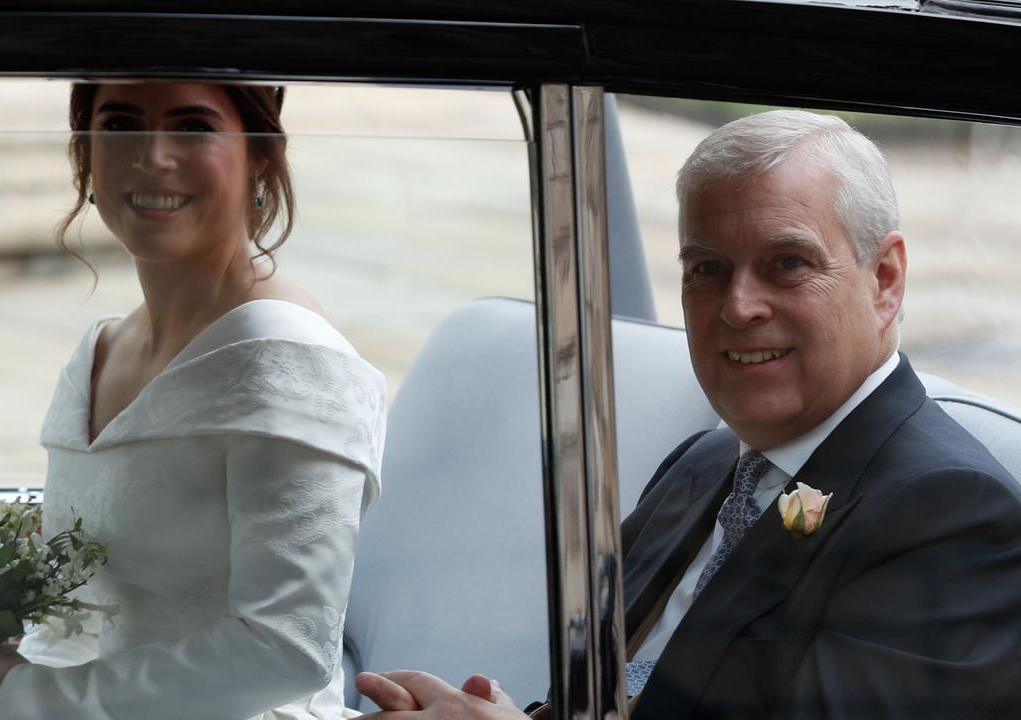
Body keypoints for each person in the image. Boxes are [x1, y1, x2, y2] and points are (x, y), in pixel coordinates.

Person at [355, 109, 1021, 719]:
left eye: (787, 264)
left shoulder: (950, 517)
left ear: (885, 280)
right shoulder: (705, 466)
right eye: (707, 269)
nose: (738, 307)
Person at [0, 81, 386, 720]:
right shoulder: (99, 350)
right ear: (85, 153)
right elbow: (83, 611)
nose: (152, 156)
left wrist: (34, 699)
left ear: (259, 153)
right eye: (120, 124)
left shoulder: (289, 363)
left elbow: (287, 651)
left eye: (193, 126)